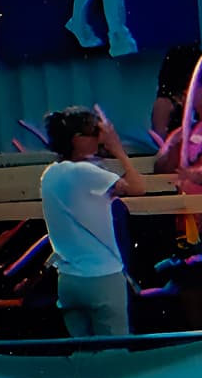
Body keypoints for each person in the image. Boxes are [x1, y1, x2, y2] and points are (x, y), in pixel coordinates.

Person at [36, 106, 148, 338]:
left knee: (83, 355)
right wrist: (117, 149)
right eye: (94, 132)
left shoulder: (50, 174)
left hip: (68, 278)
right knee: (114, 357)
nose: (100, 138)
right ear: (77, 140)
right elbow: (138, 187)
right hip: (102, 277)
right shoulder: (86, 173)